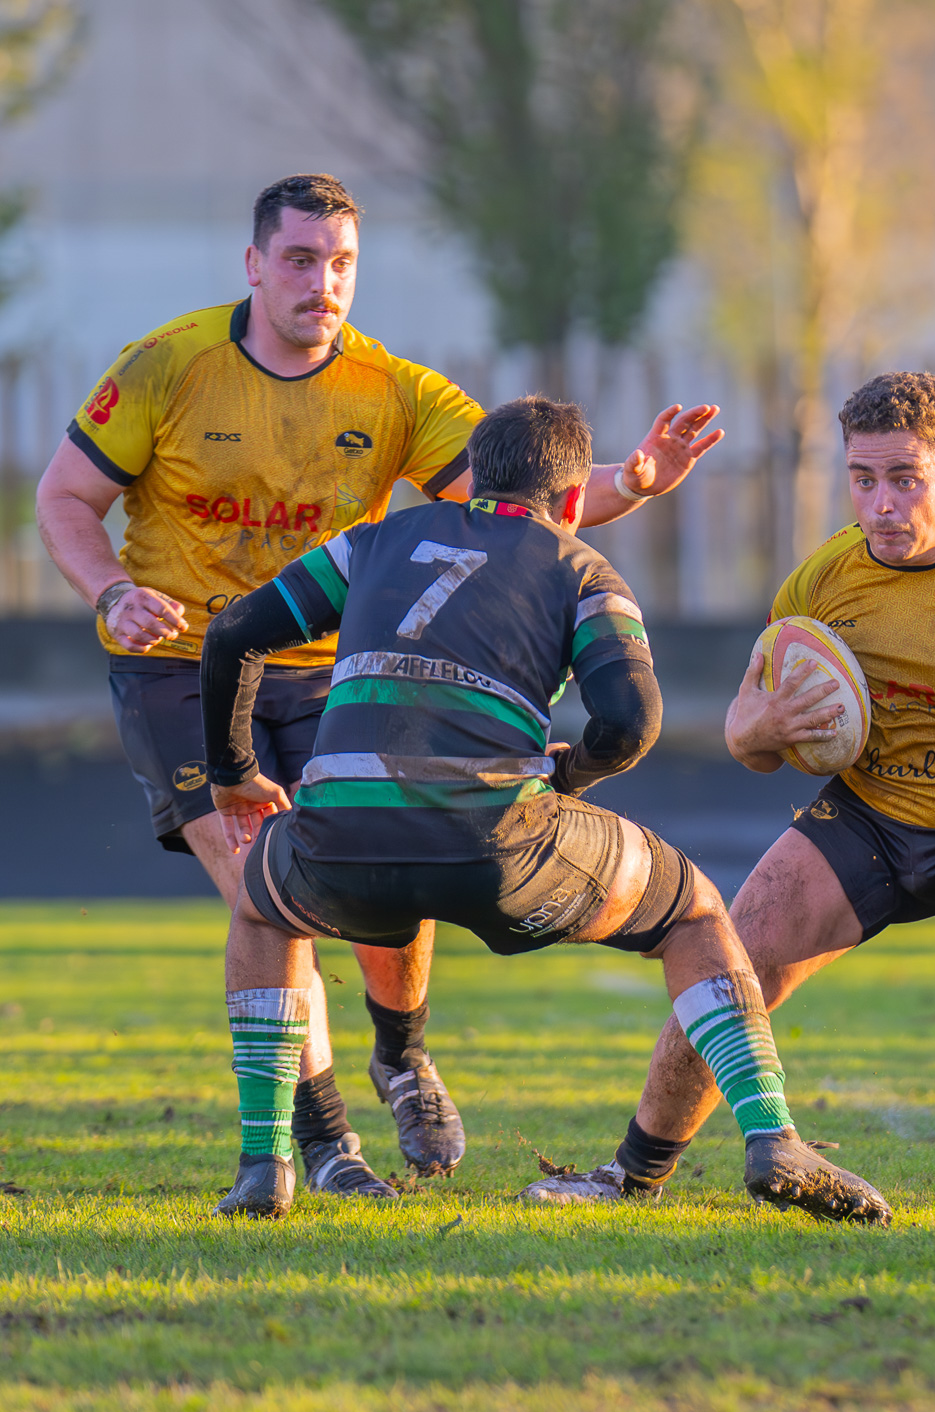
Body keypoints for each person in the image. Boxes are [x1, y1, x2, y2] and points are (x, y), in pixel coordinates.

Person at [35, 173, 723, 1201]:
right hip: (183, 661)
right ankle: (321, 1143)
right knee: (267, 886)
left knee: (384, 861)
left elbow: (522, 508)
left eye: (343, 263)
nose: (325, 283)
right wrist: (110, 593)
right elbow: (65, 496)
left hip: (334, 673)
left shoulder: (393, 390)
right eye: (303, 261)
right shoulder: (167, 367)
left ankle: (400, 1054)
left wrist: (632, 481)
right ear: (255, 264)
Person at [197, 395, 892, 1224]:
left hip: (338, 834)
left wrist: (235, 771)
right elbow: (632, 721)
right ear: (569, 502)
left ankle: (263, 1165)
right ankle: (771, 1135)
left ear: (472, 481)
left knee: (261, 909)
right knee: (696, 912)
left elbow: (233, 634)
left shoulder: (373, 543)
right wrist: (569, 775)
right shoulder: (580, 568)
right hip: (499, 843)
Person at [523, 372, 935, 1209]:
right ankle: (630, 1176)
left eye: (904, 478)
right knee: (727, 960)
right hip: (864, 820)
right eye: (862, 478)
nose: (881, 503)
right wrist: (761, 729)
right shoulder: (820, 584)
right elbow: (743, 736)